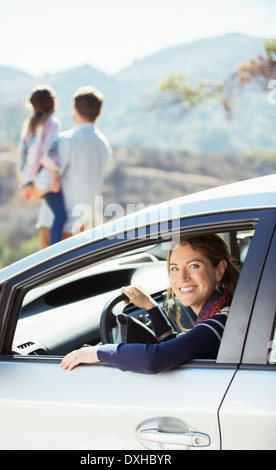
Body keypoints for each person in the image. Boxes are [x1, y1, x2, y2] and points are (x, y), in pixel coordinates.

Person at [59, 234, 241, 374]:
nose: (182, 278)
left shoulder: (222, 323)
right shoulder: (222, 312)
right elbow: (178, 351)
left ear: (219, 271)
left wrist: (98, 352)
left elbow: (155, 359)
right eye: (175, 268)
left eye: (194, 266)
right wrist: (151, 307)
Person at [36, 86, 112, 249]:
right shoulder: (104, 146)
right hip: (83, 230)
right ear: (99, 113)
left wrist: (34, 190)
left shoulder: (65, 140)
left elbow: (44, 182)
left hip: (54, 228)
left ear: (74, 110)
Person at [19, 85, 67, 245]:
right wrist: (54, 176)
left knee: (55, 215)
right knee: (61, 216)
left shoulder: (30, 124)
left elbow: (23, 155)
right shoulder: (51, 123)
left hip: (33, 182)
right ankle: (54, 254)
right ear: (53, 104)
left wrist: (26, 182)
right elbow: (48, 152)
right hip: (45, 178)